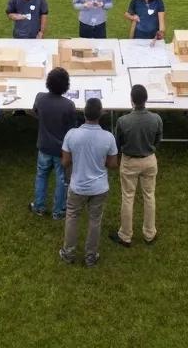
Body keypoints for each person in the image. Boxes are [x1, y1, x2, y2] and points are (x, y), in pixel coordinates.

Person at [59, 98, 118, 267]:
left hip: (77, 185)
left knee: (72, 217)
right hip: (99, 188)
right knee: (95, 220)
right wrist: (101, 161)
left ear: (84, 113)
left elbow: (65, 162)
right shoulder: (108, 137)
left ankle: (68, 253)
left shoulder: (71, 134)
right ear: (100, 114)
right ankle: (91, 256)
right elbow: (113, 164)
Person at [111, 84, 163, 247]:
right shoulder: (156, 118)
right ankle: (149, 233)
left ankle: (125, 235)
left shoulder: (123, 121)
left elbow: (117, 142)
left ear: (132, 100)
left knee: (128, 197)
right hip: (149, 159)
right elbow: (158, 139)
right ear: (146, 100)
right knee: (149, 196)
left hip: (130, 161)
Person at [31, 67, 77, 219]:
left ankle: (38, 206)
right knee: (62, 180)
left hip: (44, 146)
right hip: (61, 150)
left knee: (41, 176)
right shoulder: (69, 106)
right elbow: (72, 129)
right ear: (66, 85)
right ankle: (58, 211)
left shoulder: (40, 98)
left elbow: (36, 112)